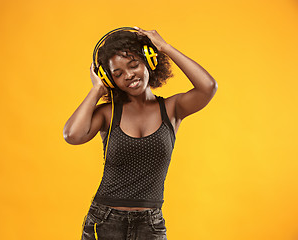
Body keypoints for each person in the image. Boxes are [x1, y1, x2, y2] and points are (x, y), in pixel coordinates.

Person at [63, 27, 218, 240]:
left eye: (134, 65)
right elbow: (72, 135)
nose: (129, 76)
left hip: (150, 224)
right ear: (110, 80)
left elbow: (208, 87)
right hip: (105, 220)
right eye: (117, 74)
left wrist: (165, 47)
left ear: (149, 60)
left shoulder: (172, 108)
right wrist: (97, 90)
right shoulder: (109, 113)